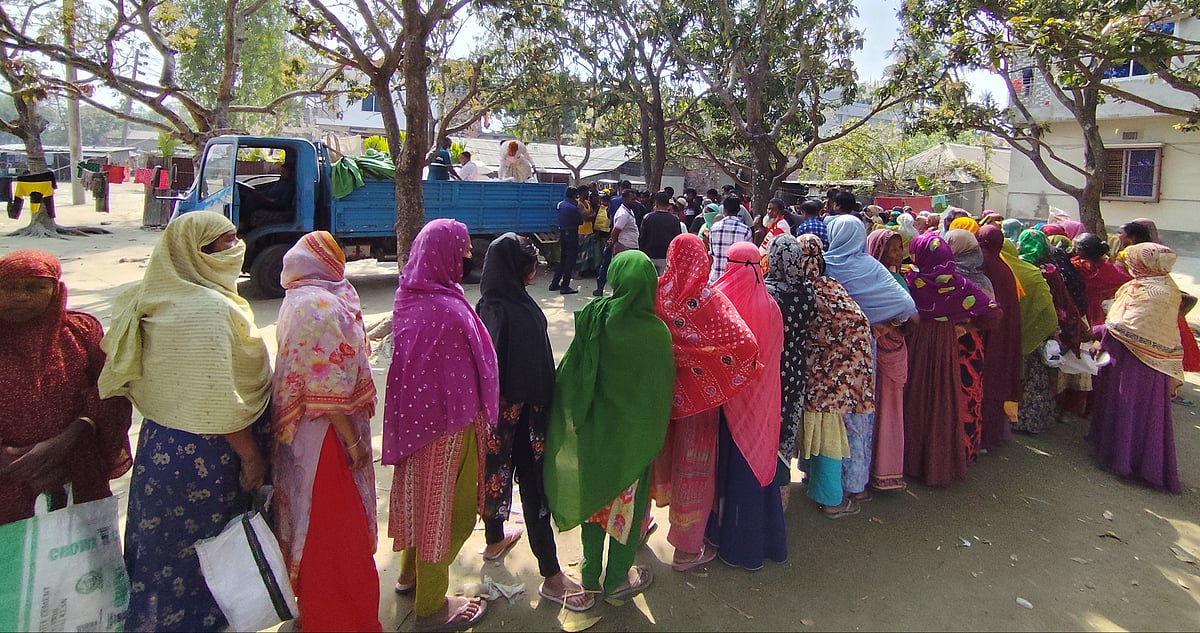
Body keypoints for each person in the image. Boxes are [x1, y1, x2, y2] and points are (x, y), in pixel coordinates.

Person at [100, 211, 273, 632]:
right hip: (207, 458)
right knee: (207, 557)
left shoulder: (151, 297)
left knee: (159, 555)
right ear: (194, 253)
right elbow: (214, 403)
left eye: (237, 239)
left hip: (160, 446)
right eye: (225, 244)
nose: (236, 250)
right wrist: (251, 458)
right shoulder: (207, 312)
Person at [383, 219, 499, 630]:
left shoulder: (409, 295)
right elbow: (470, 369)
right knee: (448, 513)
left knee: (419, 499)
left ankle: (408, 575)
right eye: (462, 252)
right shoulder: (448, 311)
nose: (466, 259)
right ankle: (432, 607)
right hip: (448, 427)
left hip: (412, 424)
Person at [545, 250, 673, 605]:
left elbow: (570, 373)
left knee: (593, 502)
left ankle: (589, 575)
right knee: (626, 512)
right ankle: (617, 579)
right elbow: (660, 393)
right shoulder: (657, 333)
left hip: (595, 435)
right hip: (633, 442)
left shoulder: (594, 317)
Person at [475, 234, 593, 612]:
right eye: (530, 263)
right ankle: (552, 576)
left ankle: (494, 539)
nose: (535, 269)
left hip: (493, 416)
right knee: (533, 488)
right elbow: (534, 371)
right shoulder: (520, 311)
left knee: (493, 473)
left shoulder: (486, 305)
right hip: (524, 416)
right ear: (515, 268)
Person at [270, 231, 381, 631]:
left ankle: (323, 612)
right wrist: (352, 442)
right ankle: (343, 619)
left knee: (315, 529)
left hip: (303, 435)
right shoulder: (318, 306)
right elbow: (326, 385)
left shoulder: (300, 297)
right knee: (334, 534)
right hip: (326, 439)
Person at [0, 250, 132, 526]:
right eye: (9, 287)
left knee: (76, 562)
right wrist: (19, 465)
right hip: (7, 477)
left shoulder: (80, 331)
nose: (22, 296)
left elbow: (110, 393)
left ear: (56, 289)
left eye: (36, 287)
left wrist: (66, 443)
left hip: (76, 469)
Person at [652, 233, 759, 571]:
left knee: (649, 461)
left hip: (657, 397)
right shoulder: (709, 300)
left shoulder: (654, 291)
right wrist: (711, 363)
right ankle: (686, 549)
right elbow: (744, 344)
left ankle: (636, 529)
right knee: (693, 469)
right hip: (700, 400)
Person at [823, 215, 916, 498]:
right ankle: (855, 483)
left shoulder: (824, 265)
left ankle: (824, 483)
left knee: (829, 415)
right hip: (862, 351)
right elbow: (906, 305)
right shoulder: (871, 267)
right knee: (858, 415)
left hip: (827, 351)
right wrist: (881, 324)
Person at [707, 242, 786, 568]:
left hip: (723, 403)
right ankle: (756, 544)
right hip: (761, 404)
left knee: (725, 468)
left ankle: (718, 536)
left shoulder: (718, 299)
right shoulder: (771, 306)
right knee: (753, 469)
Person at [903, 233, 999, 487]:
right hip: (945, 344)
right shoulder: (958, 284)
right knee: (942, 400)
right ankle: (938, 465)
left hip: (917, 342)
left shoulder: (912, 280)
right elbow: (993, 313)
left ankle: (909, 462)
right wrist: (966, 327)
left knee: (914, 398)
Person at [1090, 242, 1184, 493]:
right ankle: (1118, 455)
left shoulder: (1156, 293)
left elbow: (1127, 327)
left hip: (1139, 362)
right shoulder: (1157, 285)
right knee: (1133, 410)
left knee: (1131, 408)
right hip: (1137, 359)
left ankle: (1128, 463)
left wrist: (1096, 332)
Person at [794, 234, 873, 515]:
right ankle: (828, 495)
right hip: (837, 374)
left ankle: (829, 498)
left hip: (824, 377)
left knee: (824, 432)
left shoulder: (801, 290)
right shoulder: (829, 287)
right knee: (826, 432)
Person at [762, 235, 818, 507]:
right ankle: (781, 497)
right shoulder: (807, 292)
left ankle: (763, 491)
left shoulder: (766, 291)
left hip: (770, 370)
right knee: (786, 429)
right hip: (795, 367)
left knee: (767, 429)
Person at [1013, 229, 1084, 435]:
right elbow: (1060, 299)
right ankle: (1031, 419)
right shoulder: (1050, 269)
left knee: (1019, 372)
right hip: (1040, 325)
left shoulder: (1015, 265)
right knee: (1036, 375)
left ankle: (1011, 416)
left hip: (1016, 326)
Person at [865, 229, 914, 491]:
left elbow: (911, 318)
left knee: (889, 409)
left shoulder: (895, 279)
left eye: (900, 248)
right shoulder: (873, 279)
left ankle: (885, 470)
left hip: (889, 350)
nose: (899, 254)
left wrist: (886, 327)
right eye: (892, 249)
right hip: (878, 351)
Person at [945, 229, 997, 465]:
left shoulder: (947, 277)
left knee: (950, 397)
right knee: (968, 397)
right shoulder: (982, 279)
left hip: (951, 344)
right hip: (972, 345)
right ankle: (965, 451)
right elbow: (992, 315)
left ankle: (948, 453)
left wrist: (963, 327)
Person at [975, 226, 1024, 451]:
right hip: (1004, 333)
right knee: (996, 381)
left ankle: (980, 437)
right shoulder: (1004, 267)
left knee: (983, 381)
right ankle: (993, 435)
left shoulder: (981, 264)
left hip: (986, 333)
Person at [706, 196, 754, 284]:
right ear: (739, 210)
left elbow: (712, 253)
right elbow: (748, 258)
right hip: (736, 282)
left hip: (716, 280)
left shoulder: (714, 228)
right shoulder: (746, 230)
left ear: (724, 209)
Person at [640, 191, 684, 274]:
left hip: (650, 255)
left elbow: (642, 238)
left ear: (656, 203)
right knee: (663, 282)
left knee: (650, 281)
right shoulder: (674, 220)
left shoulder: (647, 218)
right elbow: (677, 239)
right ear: (668, 205)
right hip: (666, 256)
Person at [550, 187, 582, 294]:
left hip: (563, 232)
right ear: (575, 196)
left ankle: (554, 283)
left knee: (563, 260)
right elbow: (580, 221)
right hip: (572, 234)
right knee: (570, 261)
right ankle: (565, 286)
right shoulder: (573, 208)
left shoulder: (560, 204)